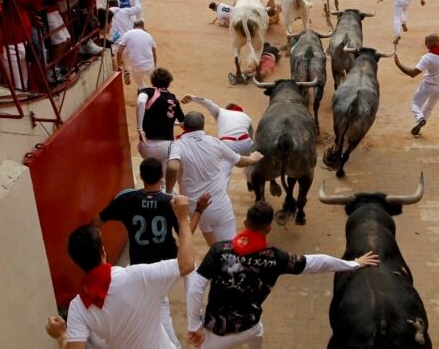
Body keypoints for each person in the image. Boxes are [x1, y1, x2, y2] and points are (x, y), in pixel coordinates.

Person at [186, 201, 380, 349]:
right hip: (250, 327)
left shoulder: (219, 251)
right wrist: (354, 264)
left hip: (215, 334)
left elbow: (196, 287)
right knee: (257, 336)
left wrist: (194, 325)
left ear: (245, 222)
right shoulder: (277, 258)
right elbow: (318, 262)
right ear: (269, 229)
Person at [97, 158, 209, 349]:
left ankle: (189, 324)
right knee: (190, 274)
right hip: (168, 266)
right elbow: (186, 233)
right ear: (162, 176)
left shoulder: (126, 198)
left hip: (139, 266)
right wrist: (199, 209)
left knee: (157, 300)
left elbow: (97, 222)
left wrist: (99, 248)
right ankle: (192, 323)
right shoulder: (170, 202)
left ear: (141, 176)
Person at [56, 197, 195, 349]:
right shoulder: (137, 276)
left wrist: (62, 336)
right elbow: (186, 264)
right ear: (103, 251)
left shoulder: (78, 308)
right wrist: (182, 216)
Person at [166, 112, 264, 245]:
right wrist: (254, 158)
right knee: (230, 249)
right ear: (202, 126)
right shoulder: (214, 142)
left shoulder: (177, 145)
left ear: (184, 127)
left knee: (213, 246)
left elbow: (172, 167)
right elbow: (240, 161)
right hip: (218, 205)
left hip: (195, 208)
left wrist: (169, 190)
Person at [136, 67, 184, 161]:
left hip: (146, 146)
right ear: (169, 83)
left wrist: (139, 128)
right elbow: (184, 123)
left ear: (152, 81)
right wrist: (171, 122)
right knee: (165, 173)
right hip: (167, 147)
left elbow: (141, 102)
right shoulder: (174, 100)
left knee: (151, 172)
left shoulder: (148, 91)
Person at [116, 20, 157, 89]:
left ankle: (125, 69)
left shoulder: (127, 34)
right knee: (156, 85)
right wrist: (154, 67)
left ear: (133, 26)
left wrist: (118, 66)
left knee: (140, 84)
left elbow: (119, 52)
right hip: (149, 65)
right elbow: (154, 54)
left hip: (136, 67)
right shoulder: (149, 36)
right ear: (143, 27)